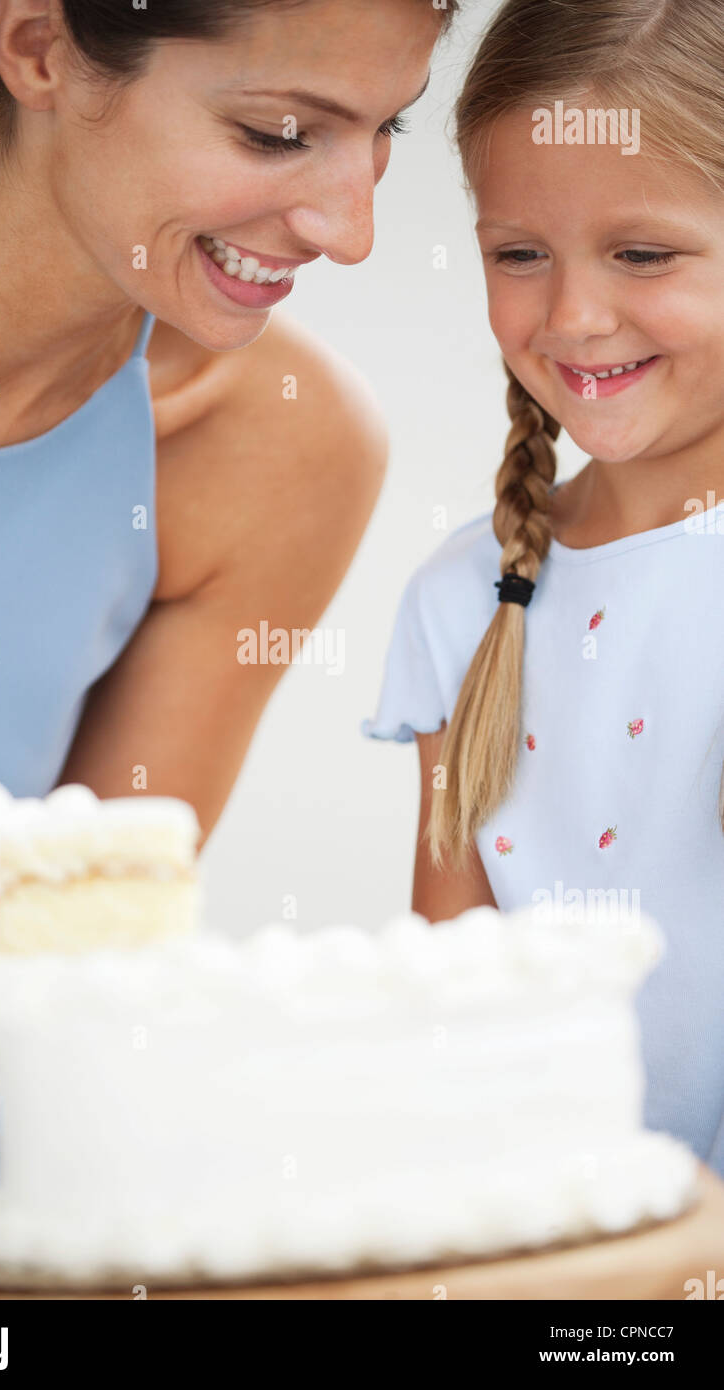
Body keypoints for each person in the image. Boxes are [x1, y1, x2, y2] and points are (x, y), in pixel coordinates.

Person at [0, 0, 456, 1238]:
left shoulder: (281, 446)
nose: (352, 232)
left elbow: (88, 937)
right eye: (280, 131)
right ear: (37, 47)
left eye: (383, 128)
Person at [364, 0, 724, 1176]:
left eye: (644, 253)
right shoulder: (465, 597)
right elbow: (454, 1019)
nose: (571, 316)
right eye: (519, 252)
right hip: (580, 1260)